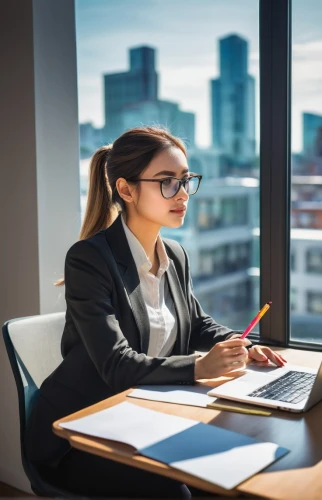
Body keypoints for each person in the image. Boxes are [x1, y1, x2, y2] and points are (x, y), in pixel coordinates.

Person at [25, 126, 287, 498]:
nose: (182, 195)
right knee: (181, 490)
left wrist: (237, 344)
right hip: (80, 431)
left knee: (235, 471)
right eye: (167, 182)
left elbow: (195, 323)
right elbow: (116, 364)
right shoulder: (89, 260)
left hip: (144, 416)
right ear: (126, 189)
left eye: (185, 181)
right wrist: (199, 367)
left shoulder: (175, 255)